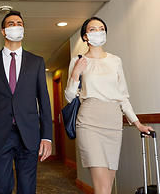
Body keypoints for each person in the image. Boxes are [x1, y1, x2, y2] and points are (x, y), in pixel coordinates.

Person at [64, 17, 154, 194]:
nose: (98, 32)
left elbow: (123, 97)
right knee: (103, 188)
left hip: (113, 123)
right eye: (93, 29)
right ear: (85, 36)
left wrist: (138, 124)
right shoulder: (78, 60)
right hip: (89, 121)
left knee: (107, 187)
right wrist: (76, 72)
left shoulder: (115, 61)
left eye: (101, 28)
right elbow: (69, 97)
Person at [0, 10, 52, 194]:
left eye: (19, 24)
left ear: (23, 30)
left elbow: (44, 100)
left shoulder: (36, 62)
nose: (16, 27)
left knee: (27, 188)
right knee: (1, 187)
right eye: (11, 24)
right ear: (3, 31)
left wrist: (47, 136)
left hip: (29, 133)